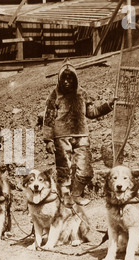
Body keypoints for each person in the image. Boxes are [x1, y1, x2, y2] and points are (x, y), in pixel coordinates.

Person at [43, 59, 116, 207]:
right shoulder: (54, 94)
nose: (67, 81)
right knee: (64, 168)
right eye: (64, 78)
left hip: (81, 135)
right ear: (59, 79)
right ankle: (65, 196)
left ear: (75, 79)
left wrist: (108, 106)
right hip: (61, 136)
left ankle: (76, 194)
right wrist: (48, 140)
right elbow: (49, 118)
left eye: (70, 78)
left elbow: (91, 112)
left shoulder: (82, 93)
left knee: (86, 169)